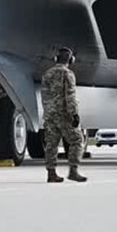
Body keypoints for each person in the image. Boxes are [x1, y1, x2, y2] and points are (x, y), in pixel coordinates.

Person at [41, 47, 87, 183]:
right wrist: (74, 114)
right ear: (71, 60)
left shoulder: (47, 74)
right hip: (64, 114)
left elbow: (44, 95)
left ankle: (51, 173)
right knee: (77, 140)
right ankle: (73, 170)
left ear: (56, 59)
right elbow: (70, 95)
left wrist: (48, 111)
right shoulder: (68, 74)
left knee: (51, 144)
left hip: (50, 114)